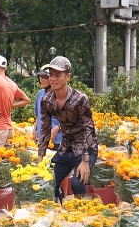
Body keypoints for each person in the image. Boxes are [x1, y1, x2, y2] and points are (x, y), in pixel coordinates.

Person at [37, 56, 98, 203]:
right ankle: (57, 214)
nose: (53, 78)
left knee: (77, 184)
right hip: (66, 147)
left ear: (68, 76)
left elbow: (89, 129)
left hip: (85, 147)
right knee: (48, 183)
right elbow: (45, 129)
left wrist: (85, 161)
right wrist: (40, 157)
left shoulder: (80, 99)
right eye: (51, 75)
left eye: (58, 75)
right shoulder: (47, 100)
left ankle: (83, 216)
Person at [0, 55, 30, 148]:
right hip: (8, 129)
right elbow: (26, 100)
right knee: (6, 161)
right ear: (5, 68)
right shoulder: (12, 83)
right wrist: (10, 105)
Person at [32, 64, 62, 150]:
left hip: (56, 141)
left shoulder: (60, 95)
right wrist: (35, 129)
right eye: (40, 77)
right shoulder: (40, 94)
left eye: (44, 77)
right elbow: (38, 115)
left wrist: (57, 127)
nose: (41, 80)